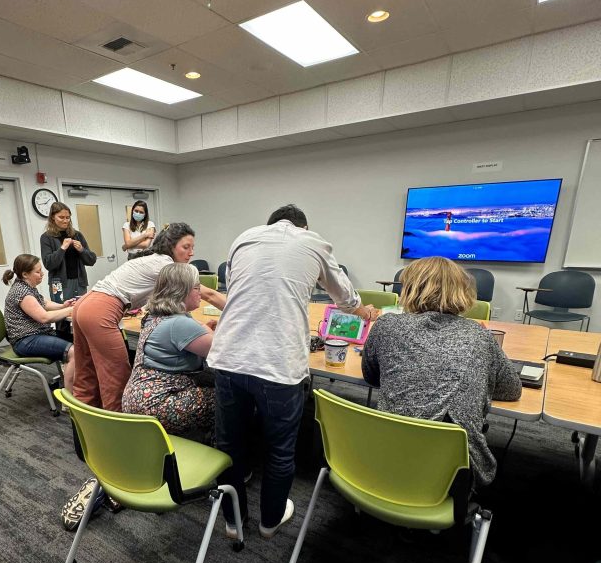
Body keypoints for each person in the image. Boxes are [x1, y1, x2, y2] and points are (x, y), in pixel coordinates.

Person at [207, 204, 377, 540]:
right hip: (278, 364)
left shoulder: (243, 239)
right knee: (280, 448)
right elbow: (345, 298)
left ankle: (231, 522)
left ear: (269, 224)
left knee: (229, 445)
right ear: (302, 226)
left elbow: (241, 287)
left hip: (228, 356)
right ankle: (270, 522)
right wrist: (364, 310)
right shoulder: (312, 241)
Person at [361, 256, 522, 488]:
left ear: (411, 290)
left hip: (385, 454)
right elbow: (511, 390)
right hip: (450, 472)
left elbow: (371, 376)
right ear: (462, 291)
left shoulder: (387, 326)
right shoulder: (478, 335)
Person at [72, 223, 196, 411]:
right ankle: (120, 435)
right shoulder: (166, 265)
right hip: (101, 309)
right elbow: (202, 292)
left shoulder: (152, 259)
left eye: (192, 248)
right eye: (186, 247)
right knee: (116, 378)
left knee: (86, 374)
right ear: (171, 246)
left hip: (86, 303)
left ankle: (86, 434)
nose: (191, 253)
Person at [122, 262, 216, 437]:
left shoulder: (156, 315)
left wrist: (205, 330)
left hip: (137, 399)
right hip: (157, 405)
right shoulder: (179, 324)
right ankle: (221, 450)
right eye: (196, 287)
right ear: (182, 291)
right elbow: (220, 351)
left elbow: (196, 330)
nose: (200, 293)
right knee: (229, 397)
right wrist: (210, 331)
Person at [2, 254, 76, 391]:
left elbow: (44, 303)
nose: (42, 274)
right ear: (25, 274)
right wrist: (72, 309)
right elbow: (44, 318)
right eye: (38, 271)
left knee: (80, 342)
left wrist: (63, 306)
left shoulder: (27, 287)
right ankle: (70, 398)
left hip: (37, 334)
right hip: (25, 341)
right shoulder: (22, 292)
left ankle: (78, 383)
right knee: (74, 351)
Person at [39, 202, 97, 339]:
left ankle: (81, 349)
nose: (65, 220)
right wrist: (62, 249)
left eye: (67, 217)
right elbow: (48, 264)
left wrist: (82, 250)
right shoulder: (46, 237)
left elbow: (91, 260)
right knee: (62, 317)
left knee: (80, 315)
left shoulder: (77, 235)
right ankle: (63, 349)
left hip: (79, 281)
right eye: (61, 217)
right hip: (58, 285)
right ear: (53, 217)